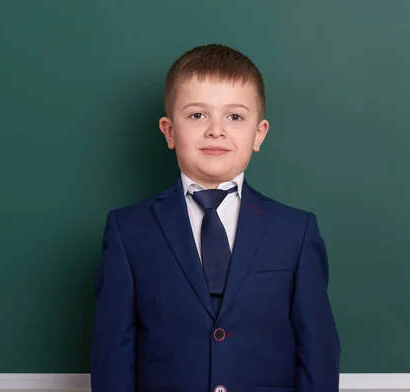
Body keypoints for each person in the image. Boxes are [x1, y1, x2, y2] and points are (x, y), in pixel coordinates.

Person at [91, 43, 340, 392]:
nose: (216, 130)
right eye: (197, 115)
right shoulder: (128, 230)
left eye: (235, 117)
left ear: (259, 134)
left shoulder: (295, 231)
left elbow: (318, 352)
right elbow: (112, 355)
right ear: (169, 131)